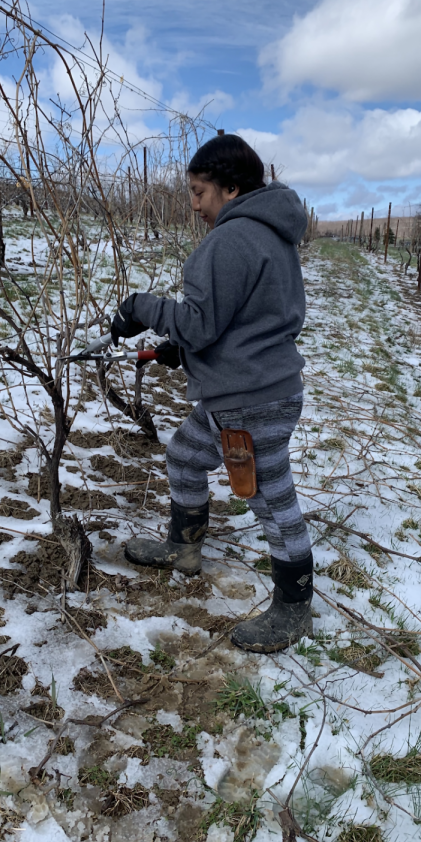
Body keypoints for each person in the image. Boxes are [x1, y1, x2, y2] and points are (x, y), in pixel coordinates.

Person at [110, 134, 313, 653]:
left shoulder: (228, 240)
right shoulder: (274, 234)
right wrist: (185, 352)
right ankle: (184, 549)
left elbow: (200, 325)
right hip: (249, 389)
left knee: (271, 498)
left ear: (229, 187)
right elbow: (246, 319)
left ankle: (294, 608)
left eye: (199, 191)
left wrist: (141, 307)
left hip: (251, 400)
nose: (195, 204)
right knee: (184, 454)